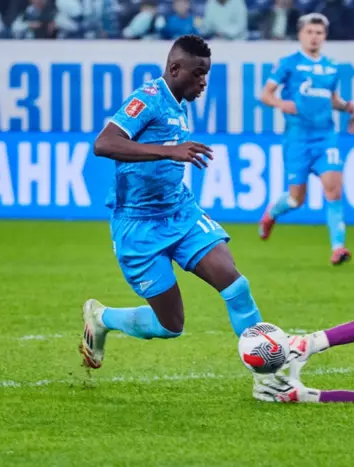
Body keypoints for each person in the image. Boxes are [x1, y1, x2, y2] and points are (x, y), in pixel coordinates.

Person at [81, 35, 263, 370]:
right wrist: (169, 151)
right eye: (198, 73)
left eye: (206, 73)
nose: (203, 81)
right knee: (170, 325)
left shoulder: (179, 105)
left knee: (236, 286)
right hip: (138, 226)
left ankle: (266, 373)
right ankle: (102, 318)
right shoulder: (148, 99)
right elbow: (104, 144)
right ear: (175, 68)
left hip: (180, 213)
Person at [259, 13, 354, 266]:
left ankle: (338, 248)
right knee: (296, 199)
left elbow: (331, 99)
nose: (314, 37)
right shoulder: (288, 63)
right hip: (298, 140)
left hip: (326, 137)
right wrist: (281, 104)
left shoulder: (332, 66)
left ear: (325, 36)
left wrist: (346, 106)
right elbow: (265, 95)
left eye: (319, 33)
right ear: (301, 35)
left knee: (334, 189)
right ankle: (272, 212)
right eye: (310, 32)